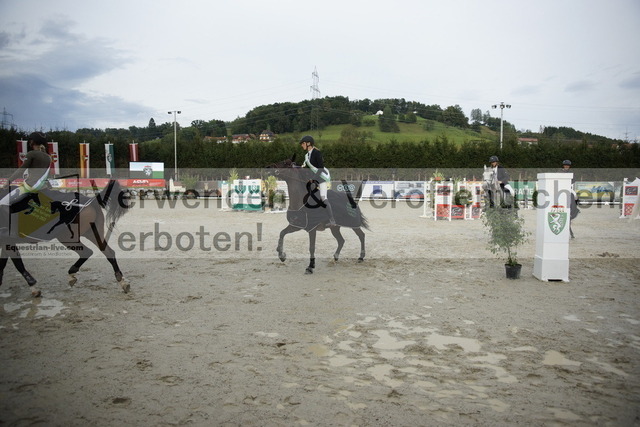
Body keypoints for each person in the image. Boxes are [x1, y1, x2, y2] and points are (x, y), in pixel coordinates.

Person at [0, 132, 52, 207]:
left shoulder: (31, 154)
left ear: (32, 141)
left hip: (29, 188)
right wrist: (49, 187)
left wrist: (8, 181)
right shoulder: (48, 157)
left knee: (2, 203)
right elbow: (46, 176)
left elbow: (21, 170)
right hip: (43, 189)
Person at [299, 135, 336, 225]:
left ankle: (332, 220)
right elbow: (304, 167)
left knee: (323, 198)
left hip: (321, 179)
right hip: (312, 180)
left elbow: (320, 168)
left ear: (308, 143)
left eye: (303, 143)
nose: (302, 145)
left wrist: (314, 179)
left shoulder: (317, 153)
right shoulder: (307, 155)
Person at [561, 159, 579, 238]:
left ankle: (574, 210)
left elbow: (573, 181)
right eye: (565, 166)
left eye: (567, 166)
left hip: (569, 188)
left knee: (575, 196)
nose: (566, 167)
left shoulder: (572, 174)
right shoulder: (560, 172)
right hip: (561, 189)